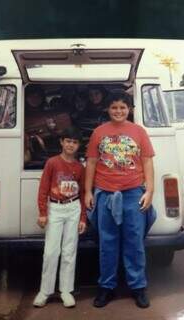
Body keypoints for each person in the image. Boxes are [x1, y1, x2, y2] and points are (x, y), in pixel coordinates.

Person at [85, 90, 156, 309]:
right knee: (107, 243)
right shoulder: (99, 132)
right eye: (114, 107)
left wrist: (150, 191)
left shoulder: (139, 132)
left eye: (122, 107)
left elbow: (146, 162)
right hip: (105, 194)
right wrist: (88, 192)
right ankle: (106, 287)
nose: (118, 111)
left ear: (129, 109)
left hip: (133, 193)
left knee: (134, 243)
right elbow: (92, 163)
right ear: (108, 109)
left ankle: (138, 287)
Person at [33, 127, 86, 308]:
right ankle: (45, 290)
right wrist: (42, 212)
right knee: (51, 251)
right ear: (61, 142)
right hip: (55, 208)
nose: (71, 145)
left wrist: (83, 218)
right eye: (68, 141)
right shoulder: (52, 163)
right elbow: (43, 189)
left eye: (75, 142)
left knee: (69, 251)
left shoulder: (80, 167)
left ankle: (66, 290)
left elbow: (84, 192)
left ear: (78, 145)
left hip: (73, 208)